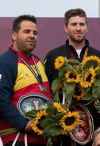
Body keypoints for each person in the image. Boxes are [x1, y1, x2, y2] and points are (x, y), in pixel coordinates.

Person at [43, 8, 100, 146]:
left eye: (82, 24)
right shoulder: (53, 56)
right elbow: (45, 89)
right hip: (63, 126)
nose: (78, 28)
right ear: (65, 27)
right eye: (74, 24)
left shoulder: (99, 57)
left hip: (92, 126)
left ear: (87, 27)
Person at [0, 15, 58, 146]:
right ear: (14, 35)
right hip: (19, 138)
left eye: (35, 33)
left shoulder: (37, 60)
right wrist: (23, 124)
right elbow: (1, 99)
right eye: (27, 31)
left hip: (44, 138)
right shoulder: (5, 61)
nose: (32, 35)